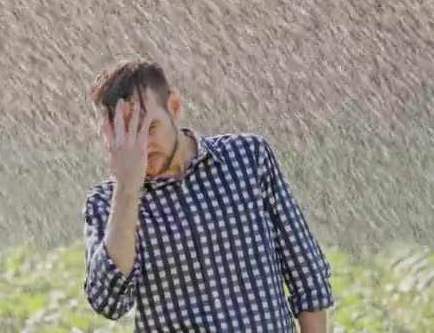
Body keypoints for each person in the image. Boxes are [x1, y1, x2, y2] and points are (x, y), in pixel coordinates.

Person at [81, 58, 334, 332]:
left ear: (174, 107)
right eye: (125, 136)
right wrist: (127, 190)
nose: (140, 147)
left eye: (150, 128)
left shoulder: (248, 158)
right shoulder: (106, 204)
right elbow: (108, 302)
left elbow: (306, 274)